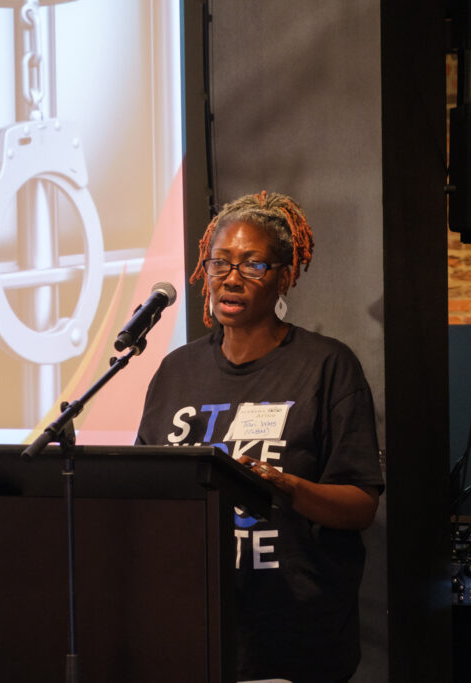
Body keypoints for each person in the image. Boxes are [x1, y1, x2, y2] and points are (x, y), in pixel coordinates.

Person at [136, 191, 384, 683]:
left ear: (285, 276)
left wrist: (286, 488)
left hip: (292, 637)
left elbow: (360, 504)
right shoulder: (176, 371)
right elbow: (147, 490)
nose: (231, 277)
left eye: (253, 265)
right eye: (220, 262)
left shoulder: (326, 367)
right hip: (191, 626)